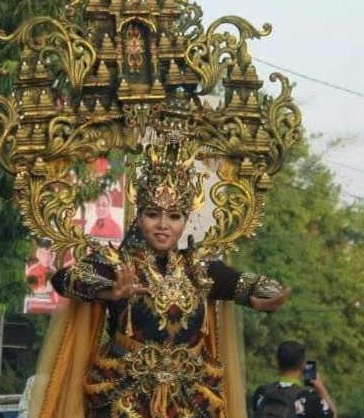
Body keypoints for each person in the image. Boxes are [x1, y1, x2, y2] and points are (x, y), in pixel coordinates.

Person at [27, 138, 289, 418]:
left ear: (186, 219)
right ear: (138, 216)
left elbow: (247, 284)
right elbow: (64, 280)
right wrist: (109, 291)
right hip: (124, 398)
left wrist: (262, 295)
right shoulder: (118, 263)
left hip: (189, 400)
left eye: (174, 216)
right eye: (153, 214)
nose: (163, 225)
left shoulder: (200, 268)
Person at [252, 340, 337, 418]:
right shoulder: (308, 397)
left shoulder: (262, 392)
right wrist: (320, 387)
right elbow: (332, 415)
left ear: (277, 363)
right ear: (303, 365)